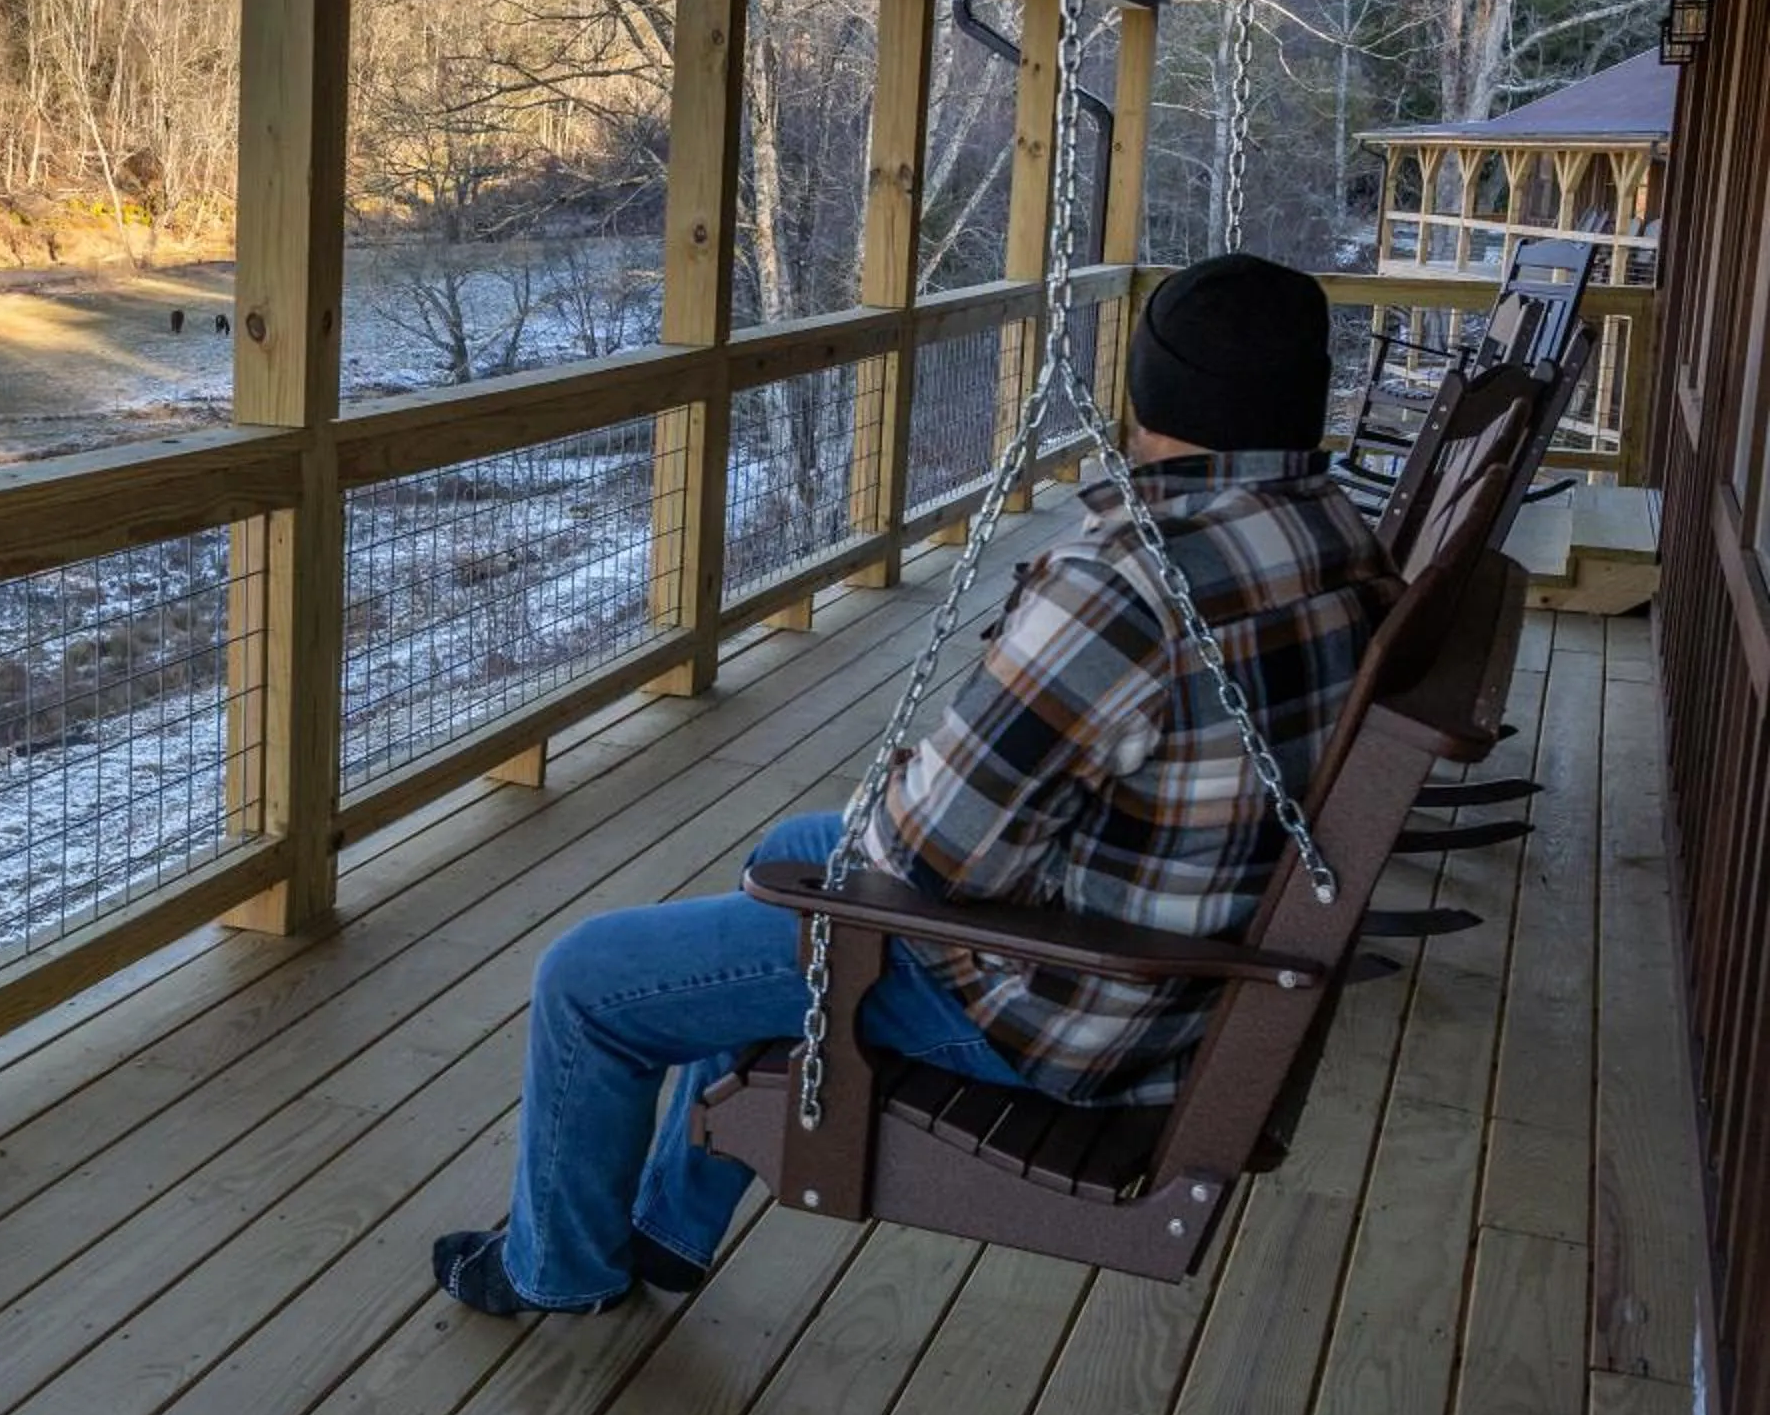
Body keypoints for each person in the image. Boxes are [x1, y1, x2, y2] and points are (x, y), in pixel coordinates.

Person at [433, 253, 1401, 1316]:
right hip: (1186, 975)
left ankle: (554, 1269)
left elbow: (927, 856)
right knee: (796, 850)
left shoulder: (1130, 582)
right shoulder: (1328, 523)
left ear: (1150, 393)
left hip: (1065, 1017)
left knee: (590, 978)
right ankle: (669, 1219)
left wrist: (909, 772)